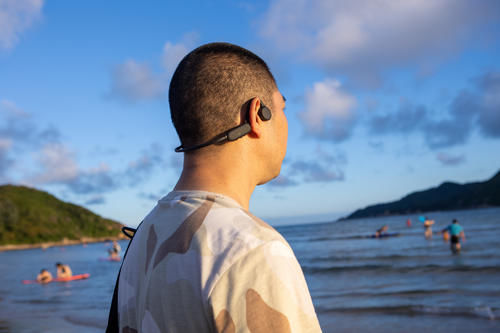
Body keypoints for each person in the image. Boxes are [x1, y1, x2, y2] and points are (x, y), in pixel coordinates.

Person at [108, 43, 322, 332]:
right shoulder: (251, 249)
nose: (287, 123)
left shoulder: (143, 236)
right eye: (283, 108)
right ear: (257, 115)